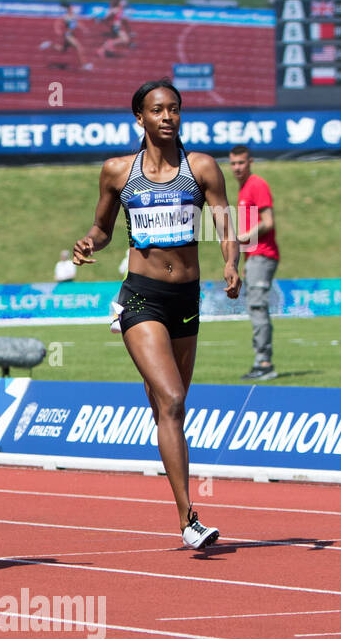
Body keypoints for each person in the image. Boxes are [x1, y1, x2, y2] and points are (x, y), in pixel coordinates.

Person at [73, 78, 240, 550]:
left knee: (170, 408)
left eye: (174, 109)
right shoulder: (118, 171)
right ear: (140, 118)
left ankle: (180, 498)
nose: (167, 117)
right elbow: (102, 228)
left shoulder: (201, 167)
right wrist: (88, 243)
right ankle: (189, 518)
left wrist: (231, 263)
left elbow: (226, 224)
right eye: (157, 110)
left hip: (186, 300)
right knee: (171, 398)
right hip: (141, 296)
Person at [229, 145, 279, 380]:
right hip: (254, 255)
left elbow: (268, 222)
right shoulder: (244, 189)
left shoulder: (257, 184)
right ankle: (262, 360)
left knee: (258, 307)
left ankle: (264, 363)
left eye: (241, 162)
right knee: (255, 307)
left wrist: (243, 237)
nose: (237, 168)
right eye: (233, 163)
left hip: (263, 254)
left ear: (250, 162)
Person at [39, 2, 93, 71]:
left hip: (72, 35)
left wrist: (84, 29)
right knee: (79, 47)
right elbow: (58, 23)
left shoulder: (74, 15)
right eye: (71, 8)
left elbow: (78, 23)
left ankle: (50, 44)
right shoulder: (66, 16)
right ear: (68, 8)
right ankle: (84, 65)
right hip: (68, 36)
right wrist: (58, 30)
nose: (72, 9)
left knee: (62, 49)